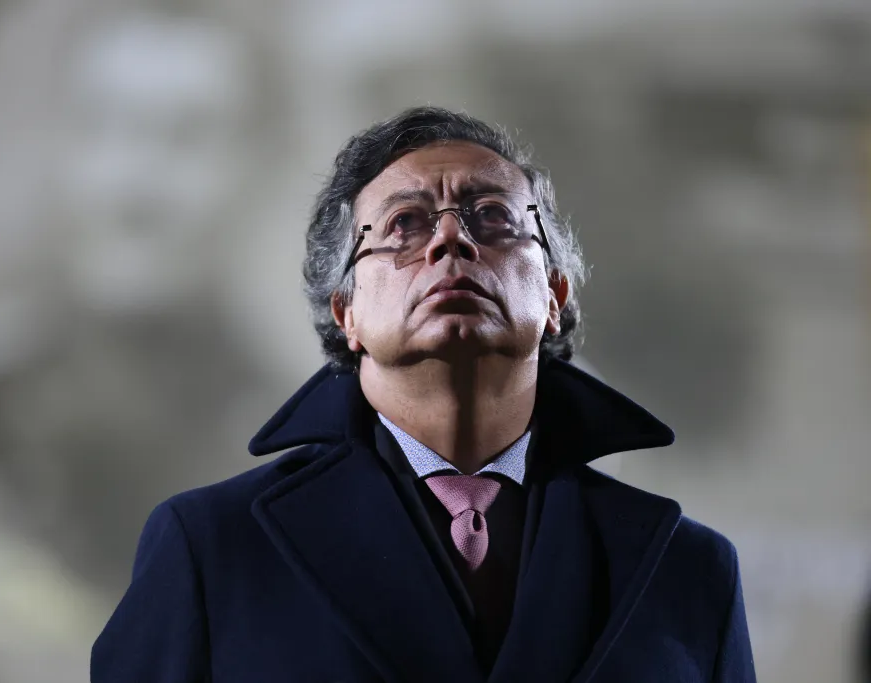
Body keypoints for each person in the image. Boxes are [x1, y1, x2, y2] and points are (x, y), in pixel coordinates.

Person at [91, 107, 757, 682]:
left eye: (491, 216)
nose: (450, 239)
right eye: (405, 224)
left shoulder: (689, 568)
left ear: (555, 296)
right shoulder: (212, 548)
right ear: (346, 311)